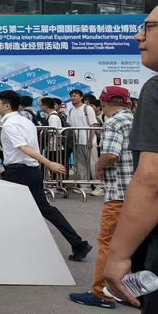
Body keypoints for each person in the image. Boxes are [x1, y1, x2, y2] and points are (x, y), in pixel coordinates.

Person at [0, 89, 91, 262]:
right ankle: (78, 243)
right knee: (46, 209)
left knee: (6, 209)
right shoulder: (26, 122)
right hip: (32, 171)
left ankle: (8, 248)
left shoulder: (9, 125)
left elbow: (24, 147)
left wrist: (49, 163)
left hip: (18, 172)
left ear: (7, 105)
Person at [105, 9, 158, 309]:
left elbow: (152, 180)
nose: (139, 36)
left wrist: (118, 255)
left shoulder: (156, 88)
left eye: (148, 27)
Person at [69, 87, 135, 308]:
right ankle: (130, 292)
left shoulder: (113, 122)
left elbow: (110, 155)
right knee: (134, 245)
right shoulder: (136, 120)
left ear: (103, 104)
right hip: (140, 195)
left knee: (109, 243)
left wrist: (98, 166)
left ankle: (101, 293)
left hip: (119, 193)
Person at [69, 88, 102, 196]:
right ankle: (85, 186)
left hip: (89, 142)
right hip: (78, 142)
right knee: (81, 165)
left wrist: (90, 140)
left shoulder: (87, 109)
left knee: (93, 164)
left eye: (75, 95)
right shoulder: (71, 110)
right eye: (71, 96)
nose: (73, 98)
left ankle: (99, 186)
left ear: (81, 97)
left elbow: (93, 125)